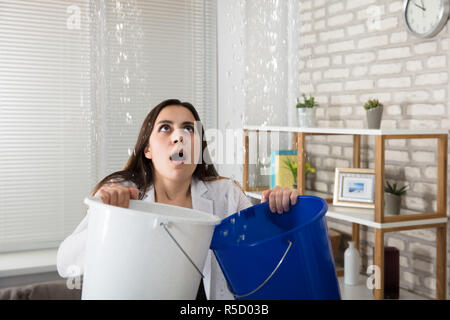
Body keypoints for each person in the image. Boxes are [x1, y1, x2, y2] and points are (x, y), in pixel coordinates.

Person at [56, 98, 299, 300]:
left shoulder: (227, 195)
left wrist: (279, 213)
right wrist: (107, 218)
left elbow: (264, 262)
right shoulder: (124, 195)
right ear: (147, 150)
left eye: (188, 129)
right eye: (165, 128)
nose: (178, 137)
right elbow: (67, 264)